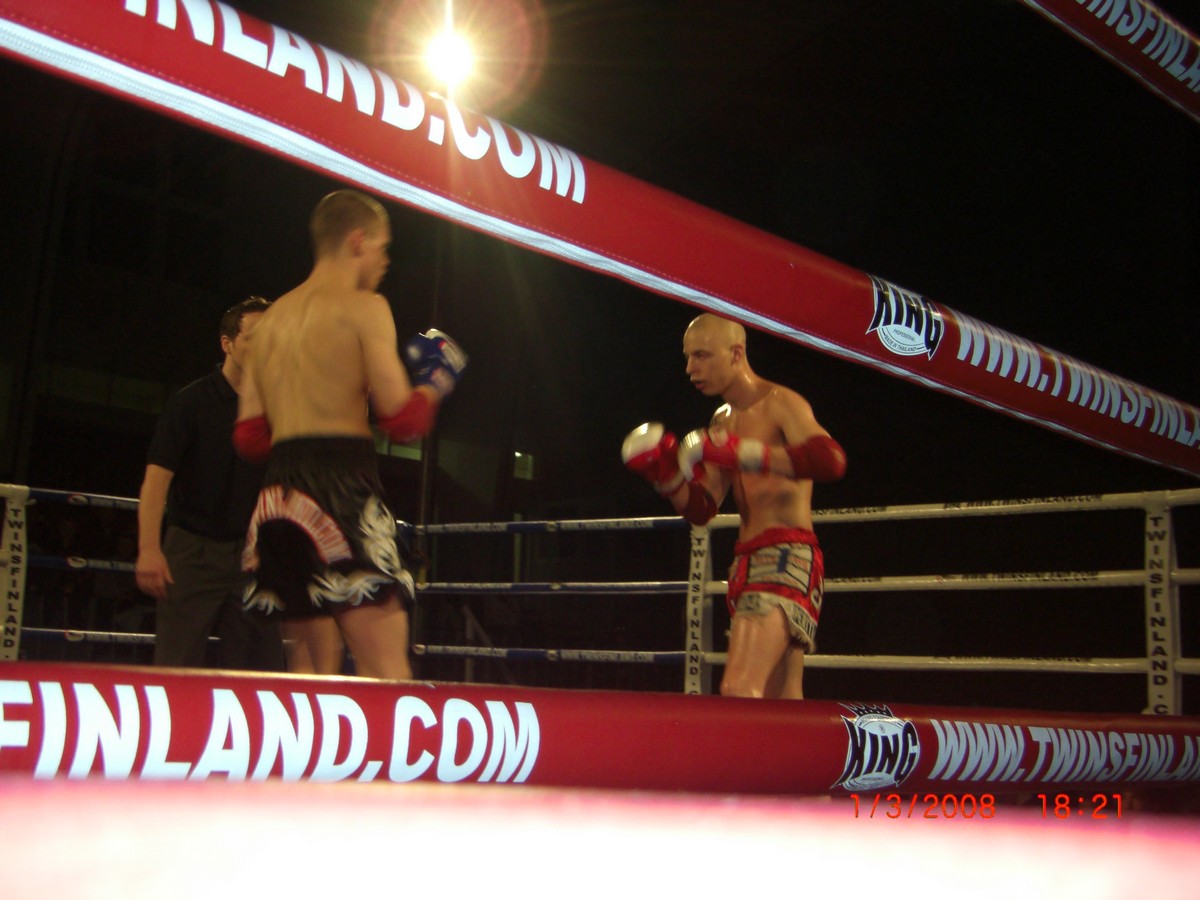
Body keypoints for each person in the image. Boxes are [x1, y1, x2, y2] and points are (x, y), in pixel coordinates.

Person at [233, 188, 466, 681]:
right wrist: (436, 381)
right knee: (386, 669)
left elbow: (250, 437)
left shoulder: (269, 325)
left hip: (277, 499)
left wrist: (302, 413)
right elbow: (400, 420)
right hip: (340, 486)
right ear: (358, 241)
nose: (386, 261)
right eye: (383, 247)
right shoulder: (365, 307)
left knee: (306, 669)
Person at [622, 313, 846, 699]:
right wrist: (666, 477)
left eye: (702, 355)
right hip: (746, 560)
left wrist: (743, 452)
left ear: (736, 353)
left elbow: (831, 460)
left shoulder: (780, 403)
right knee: (782, 699)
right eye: (688, 357)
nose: (690, 368)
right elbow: (703, 508)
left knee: (739, 688)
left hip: (786, 555)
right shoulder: (721, 420)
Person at [136, 297, 285, 671]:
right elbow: (156, 481)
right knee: (176, 663)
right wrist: (149, 549)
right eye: (253, 337)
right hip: (192, 550)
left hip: (254, 554)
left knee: (259, 671)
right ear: (227, 343)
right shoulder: (190, 402)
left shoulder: (278, 408)